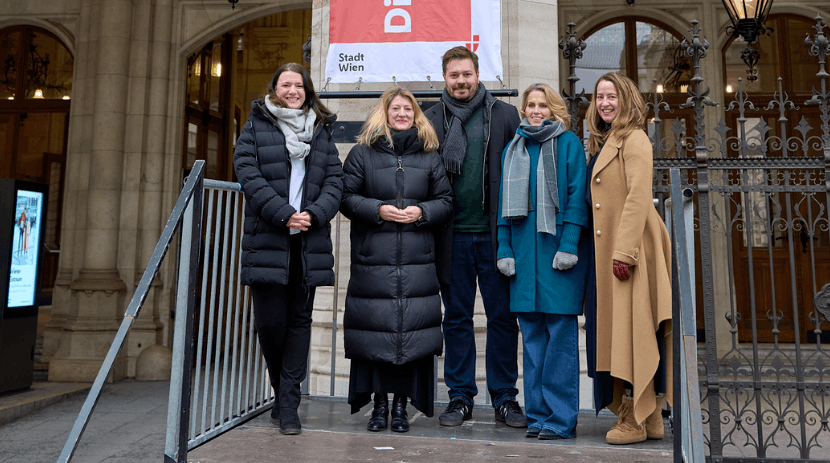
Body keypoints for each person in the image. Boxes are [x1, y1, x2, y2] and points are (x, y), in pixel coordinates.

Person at [233, 62, 343, 436]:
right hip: (269, 238)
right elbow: (247, 171)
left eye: (299, 85)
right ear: (275, 89)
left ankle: (289, 402)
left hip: (307, 242)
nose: (293, 91)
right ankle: (282, 391)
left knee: (299, 322)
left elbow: (335, 180)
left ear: (307, 90)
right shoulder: (256, 125)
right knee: (269, 324)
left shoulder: (321, 130)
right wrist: (285, 215)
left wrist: (313, 214)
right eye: (286, 85)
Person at [424, 46, 526, 428]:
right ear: (444, 78)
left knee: (502, 318)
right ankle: (460, 397)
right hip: (451, 237)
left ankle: (504, 398)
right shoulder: (430, 119)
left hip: (496, 235)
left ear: (477, 74)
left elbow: (521, 171)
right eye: (454, 75)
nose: (461, 81)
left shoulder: (504, 115)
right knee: (456, 320)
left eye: (467, 74)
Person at [340, 88, 453, 433]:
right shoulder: (362, 154)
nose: (402, 113)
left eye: (408, 109)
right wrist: (377, 209)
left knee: (410, 334)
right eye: (396, 108)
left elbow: (446, 201)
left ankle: (401, 407)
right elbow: (345, 197)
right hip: (374, 259)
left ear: (416, 114)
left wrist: (422, 211)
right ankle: (378, 406)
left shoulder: (430, 155)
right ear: (384, 113)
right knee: (375, 334)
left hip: (417, 261)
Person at [496, 84, 589, 440]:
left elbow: (577, 199)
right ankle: (537, 417)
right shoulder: (513, 148)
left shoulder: (569, 145)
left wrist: (568, 245)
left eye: (542, 106)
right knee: (532, 340)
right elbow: (504, 207)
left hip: (557, 254)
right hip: (523, 252)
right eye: (530, 105)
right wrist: (504, 249)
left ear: (554, 110)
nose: (536, 111)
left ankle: (561, 419)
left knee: (561, 341)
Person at [584, 72, 673, 445]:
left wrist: (624, 252)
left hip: (631, 251)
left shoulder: (634, 137)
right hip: (614, 251)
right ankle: (651, 417)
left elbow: (639, 195)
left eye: (612, 96)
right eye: (600, 97)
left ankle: (632, 420)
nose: (605, 103)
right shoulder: (606, 140)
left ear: (626, 99)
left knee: (632, 331)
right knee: (627, 331)